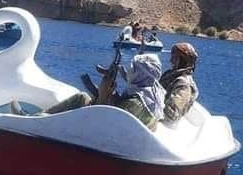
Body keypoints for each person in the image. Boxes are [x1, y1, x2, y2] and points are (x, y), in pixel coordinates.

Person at [11, 53, 166, 130]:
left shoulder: (136, 102)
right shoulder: (150, 94)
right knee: (82, 97)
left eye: (133, 69)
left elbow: (107, 123)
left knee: (83, 102)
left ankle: (32, 123)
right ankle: (38, 118)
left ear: (140, 74)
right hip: (125, 134)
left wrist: (104, 95)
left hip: (107, 136)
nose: (130, 71)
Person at [160, 42, 199, 122]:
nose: (171, 61)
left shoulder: (184, 84)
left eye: (174, 58)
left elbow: (172, 115)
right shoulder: (171, 75)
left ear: (183, 60)